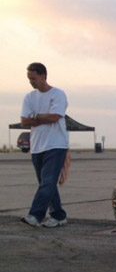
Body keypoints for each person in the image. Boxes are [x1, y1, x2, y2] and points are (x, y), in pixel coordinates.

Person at [19, 62, 69, 228]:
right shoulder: (29, 97)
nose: (31, 82)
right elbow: (24, 121)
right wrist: (41, 117)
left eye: (33, 78)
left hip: (56, 145)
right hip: (37, 146)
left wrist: (34, 116)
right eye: (29, 78)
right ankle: (58, 215)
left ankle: (35, 215)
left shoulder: (58, 94)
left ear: (43, 76)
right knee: (46, 183)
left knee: (48, 182)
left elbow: (55, 117)